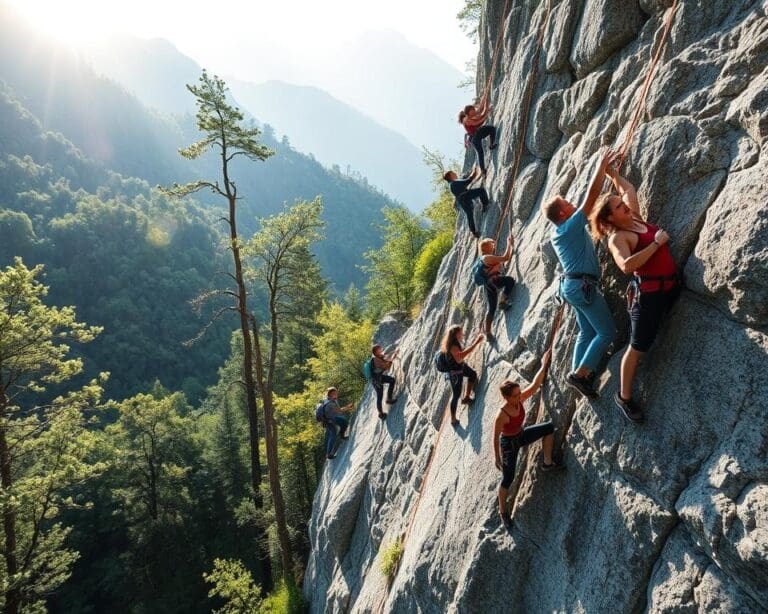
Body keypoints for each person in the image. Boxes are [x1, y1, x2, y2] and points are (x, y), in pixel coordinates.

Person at [588, 163, 680, 423]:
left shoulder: (635, 218)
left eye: (621, 203)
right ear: (610, 219)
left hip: (668, 287)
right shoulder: (618, 237)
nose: (624, 205)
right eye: (618, 207)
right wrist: (656, 243)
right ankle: (624, 396)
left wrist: (612, 175)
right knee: (638, 348)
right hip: (648, 298)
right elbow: (627, 266)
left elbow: (628, 188)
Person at [541, 148, 616, 399]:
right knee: (607, 333)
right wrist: (601, 167)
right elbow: (590, 200)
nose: (572, 205)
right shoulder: (568, 226)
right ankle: (581, 375)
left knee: (587, 331)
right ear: (563, 213)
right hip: (582, 287)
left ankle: (578, 374)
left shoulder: (560, 232)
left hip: (573, 287)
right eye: (567, 204)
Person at [493, 349, 563, 529]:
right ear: (506, 397)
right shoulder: (502, 415)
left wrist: (544, 364)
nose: (519, 397)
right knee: (508, 478)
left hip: (521, 435)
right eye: (515, 396)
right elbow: (495, 437)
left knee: (548, 428)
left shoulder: (518, 399)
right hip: (508, 445)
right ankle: (503, 511)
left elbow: (534, 385)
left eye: (518, 394)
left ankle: (547, 463)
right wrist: (497, 457)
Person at [440, 325, 484, 426]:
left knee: (472, 374)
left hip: (460, 367)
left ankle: (467, 397)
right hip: (455, 373)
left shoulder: (453, 342)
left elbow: (460, 357)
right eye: (461, 332)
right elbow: (461, 356)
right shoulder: (453, 346)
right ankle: (453, 419)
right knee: (456, 395)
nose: (462, 334)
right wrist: (476, 342)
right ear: (456, 334)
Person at [477, 235, 516, 342]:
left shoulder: (484, 257)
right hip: (494, 281)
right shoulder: (487, 258)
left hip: (489, 283)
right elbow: (505, 258)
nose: (493, 246)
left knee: (491, 308)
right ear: (486, 248)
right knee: (510, 281)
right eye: (491, 245)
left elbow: (502, 261)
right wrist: (509, 243)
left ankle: (488, 332)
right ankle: (502, 301)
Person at [444, 166, 489, 238]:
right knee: (481, 191)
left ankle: (474, 232)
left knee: (469, 215)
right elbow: (468, 181)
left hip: (462, 200)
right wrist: (474, 172)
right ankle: (485, 205)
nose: (455, 173)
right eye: (453, 173)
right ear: (450, 176)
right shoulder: (454, 183)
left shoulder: (450, 185)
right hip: (466, 195)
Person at [459, 97, 498, 175]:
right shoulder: (466, 120)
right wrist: (486, 114)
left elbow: (480, 110)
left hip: (476, 136)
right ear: (468, 112)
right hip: (475, 137)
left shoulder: (471, 116)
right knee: (480, 153)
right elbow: (477, 122)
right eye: (472, 110)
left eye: (473, 109)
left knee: (492, 129)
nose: (474, 111)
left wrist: (485, 99)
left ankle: (491, 145)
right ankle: (483, 170)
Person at [320, 387, 354, 460]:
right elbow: (339, 411)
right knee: (333, 435)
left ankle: (342, 435)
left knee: (344, 422)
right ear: (331, 394)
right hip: (328, 421)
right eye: (335, 393)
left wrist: (347, 408)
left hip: (332, 417)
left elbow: (338, 410)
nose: (337, 394)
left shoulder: (332, 400)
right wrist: (348, 407)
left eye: (336, 393)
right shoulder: (330, 403)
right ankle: (328, 454)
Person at [371, 344, 398, 420]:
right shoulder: (376, 359)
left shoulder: (379, 357)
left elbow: (387, 361)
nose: (381, 350)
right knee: (380, 396)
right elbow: (386, 366)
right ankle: (381, 414)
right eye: (379, 349)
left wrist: (393, 355)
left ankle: (389, 399)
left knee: (392, 380)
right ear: (376, 352)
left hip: (378, 377)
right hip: (376, 380)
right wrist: (393, 357)